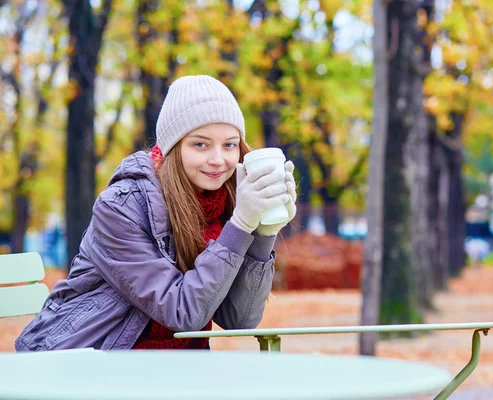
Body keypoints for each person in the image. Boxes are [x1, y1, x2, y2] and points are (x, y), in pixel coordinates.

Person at [15, 75, 297, 351]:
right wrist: (241, 224)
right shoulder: (120, 207)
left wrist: (263, 231)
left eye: (229, 144)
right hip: (91, 361)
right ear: (173, 147)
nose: (218, 160)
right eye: (200, 144)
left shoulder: (227, 201)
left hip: (177, 370)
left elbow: (239, 319)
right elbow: (182, 313)